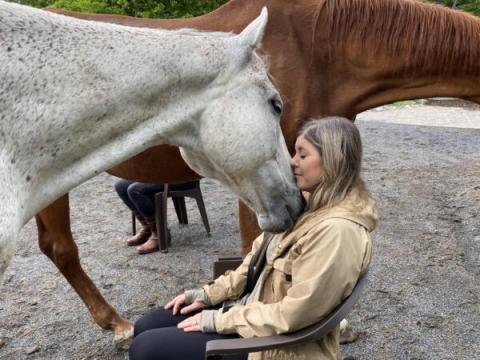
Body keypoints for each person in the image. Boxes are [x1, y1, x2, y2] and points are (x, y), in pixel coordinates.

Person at [129, 117, 379, 359]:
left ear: (336, 160)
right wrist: (208, 295)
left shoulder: (337, 233)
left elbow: (295, 315)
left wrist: (218, 320)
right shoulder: (304, 205)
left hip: (277, 346)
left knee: (146, 348)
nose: (292, 162)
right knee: (146, 325)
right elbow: (252, 268)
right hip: (252, 312)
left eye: (303, 155)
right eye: (294, 154)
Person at [115, 180, 199, 254]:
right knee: (121, 186)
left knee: (135, 190)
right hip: (158, 175)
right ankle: (148, 227)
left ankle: (159, 234)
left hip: (184, 178)